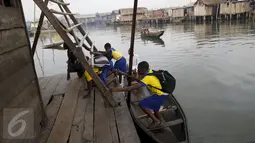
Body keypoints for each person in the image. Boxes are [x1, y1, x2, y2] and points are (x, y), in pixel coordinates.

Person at [109, 61, 168, 128]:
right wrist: (134, 77)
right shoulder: (151, 72)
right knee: (155, 107)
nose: (138, 71)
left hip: (160, 95)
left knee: (142, 104)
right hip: (163, 94)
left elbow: (129, 89)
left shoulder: (148, 78)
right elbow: (141, 81)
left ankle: (156, 121)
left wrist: (116, 89)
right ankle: (161, 121)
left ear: (143, 69)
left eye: (139, 69)